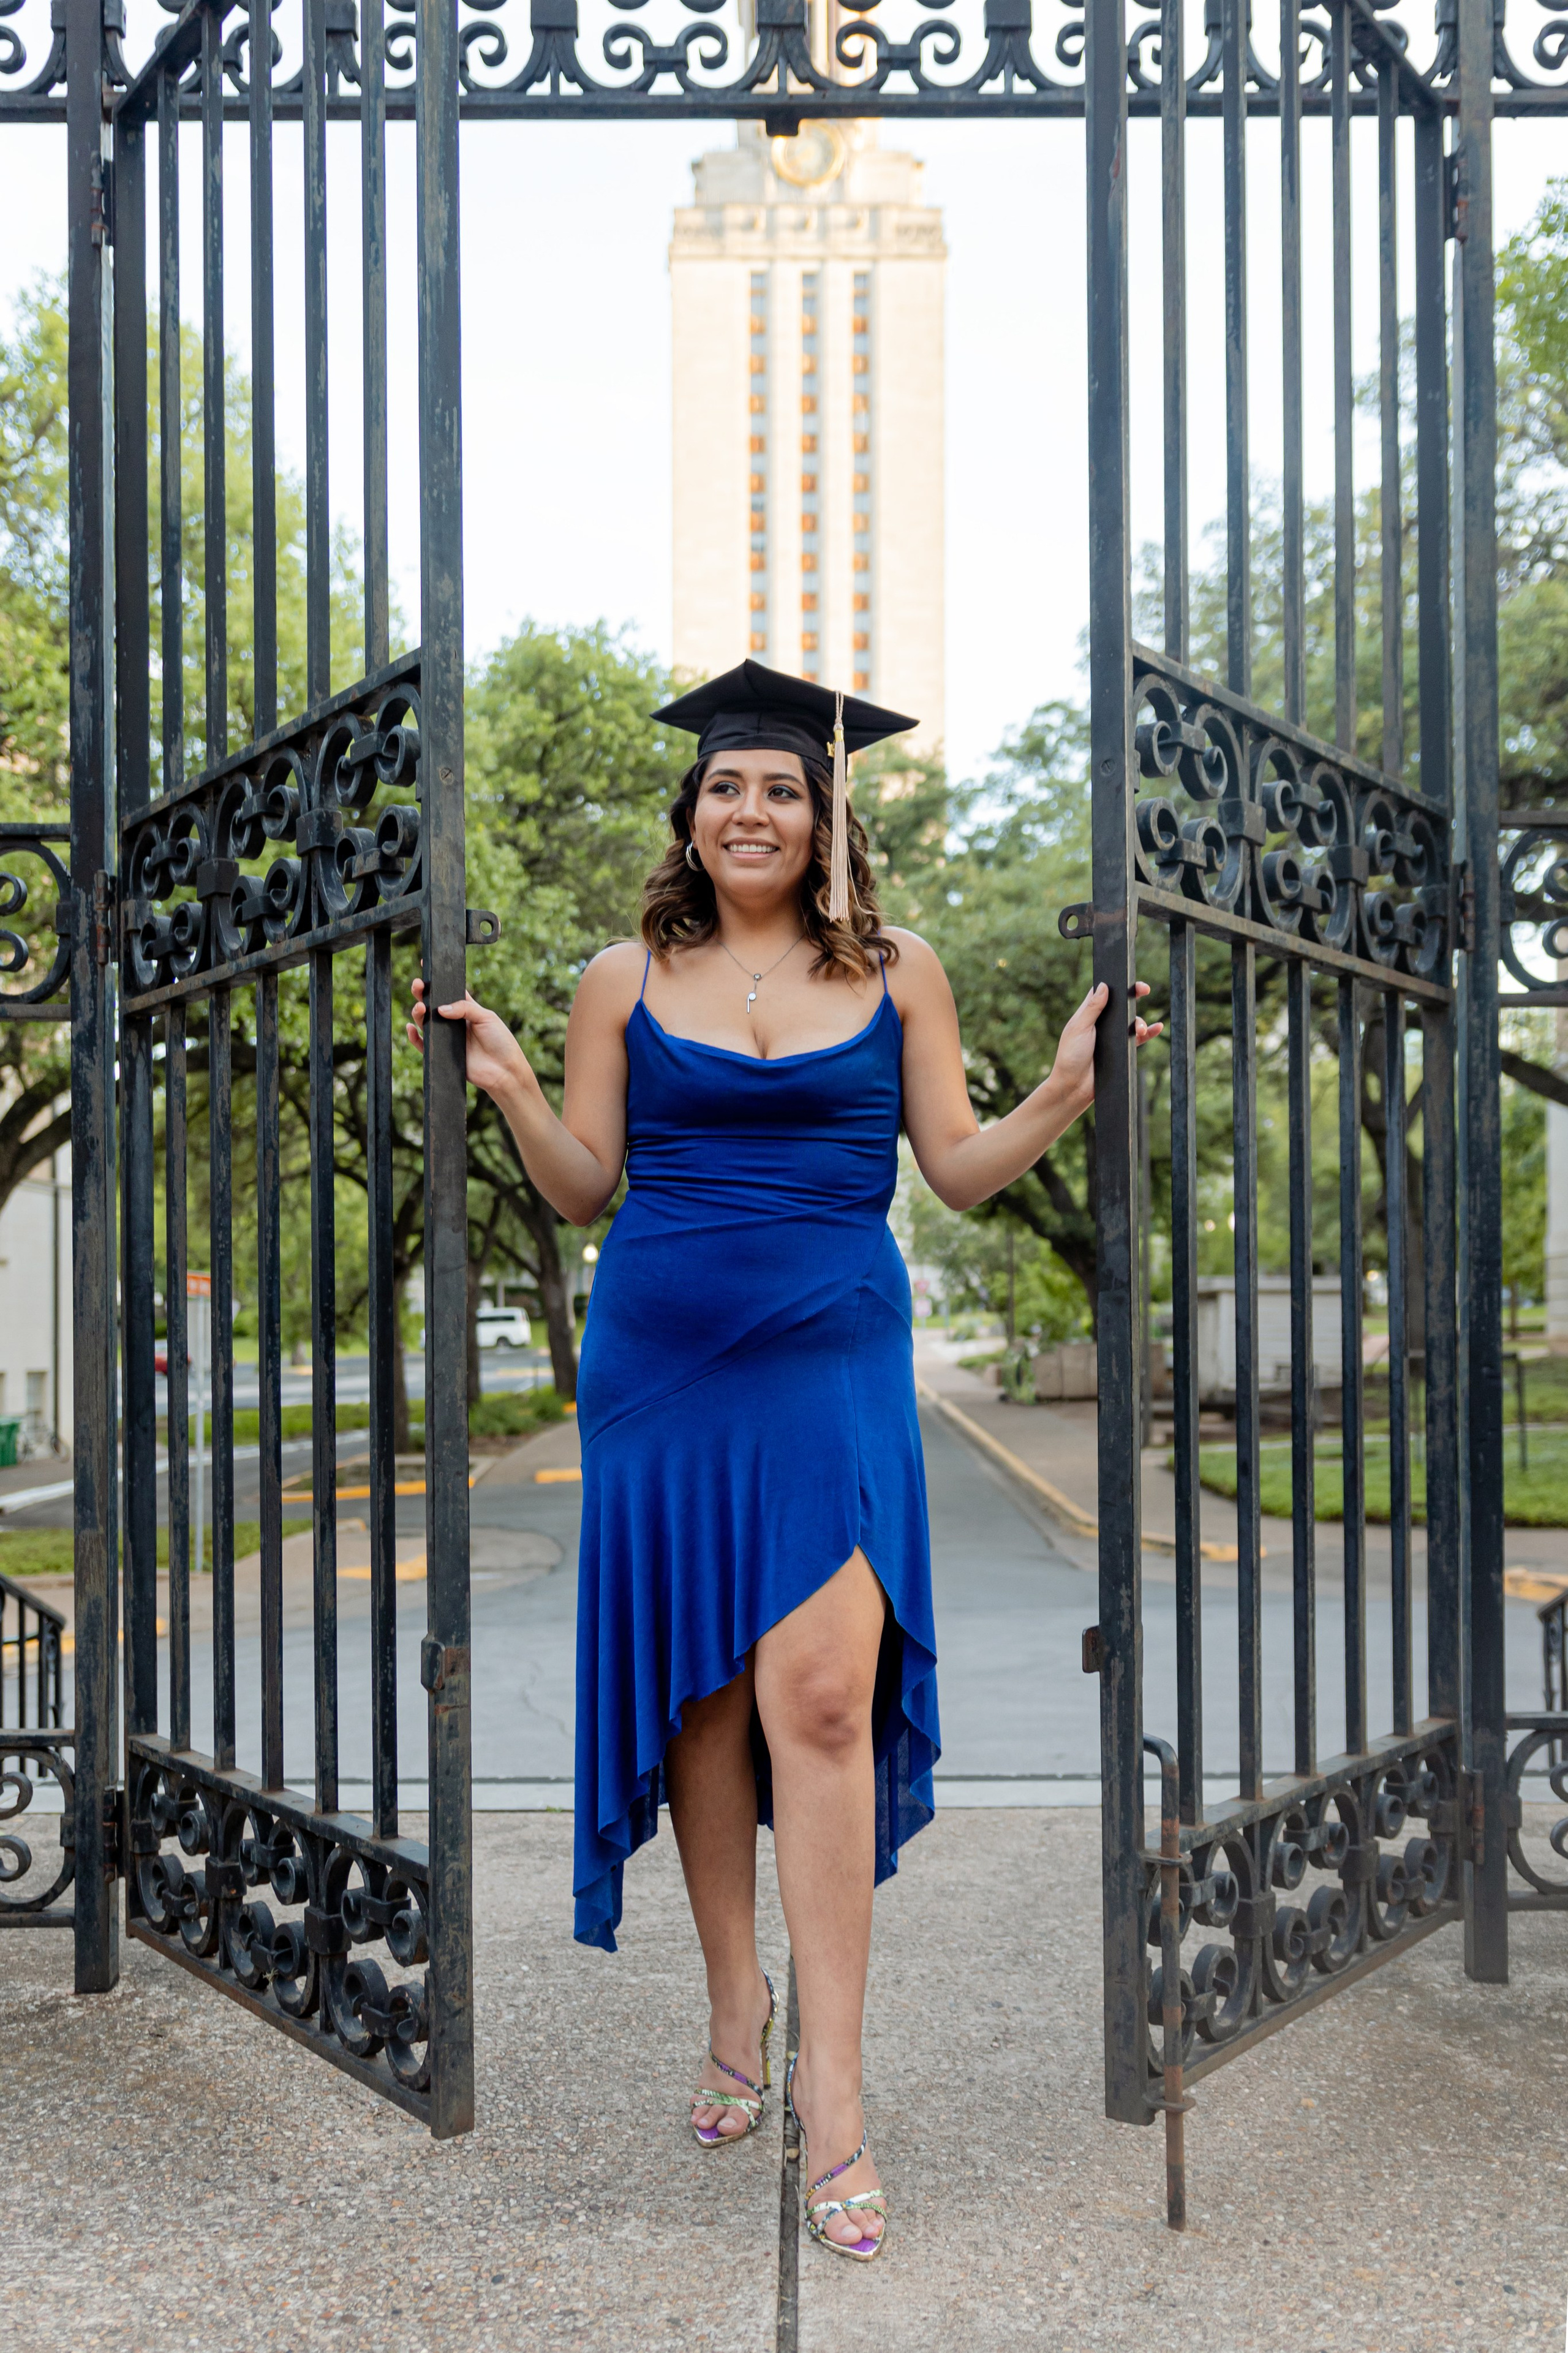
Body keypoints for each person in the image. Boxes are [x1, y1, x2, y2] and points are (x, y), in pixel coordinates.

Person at [407, 659, 1161, 2260]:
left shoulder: (904, 970)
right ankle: (732, 2002)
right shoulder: (621, 978)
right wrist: (523, 1091)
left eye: (784, 788)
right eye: (728, 786)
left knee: (817, 1696)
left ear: (827, 819)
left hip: (833, 1359)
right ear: (692, 814)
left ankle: (836, 2091)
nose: (753, 809)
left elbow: (952, 1171)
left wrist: (1059, 1093)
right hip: (661, 1369)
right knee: (697, 1699)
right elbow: (581, 1188)